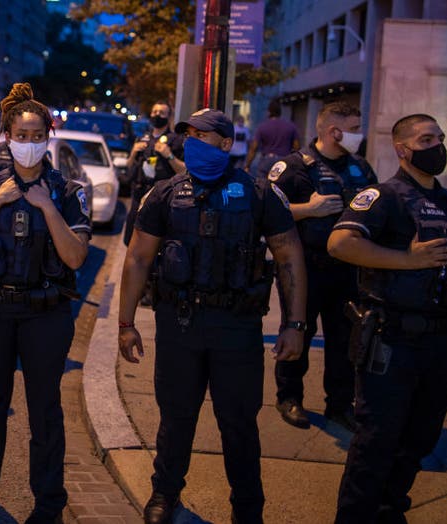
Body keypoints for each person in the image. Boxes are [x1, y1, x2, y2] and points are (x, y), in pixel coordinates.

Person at [118, 108, 307, 524]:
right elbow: (137, 260)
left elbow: (290, 258)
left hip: (237, 328)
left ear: (226, 143)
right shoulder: (165, 193)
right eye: (189, 135)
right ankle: (165, 494)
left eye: (203, 136)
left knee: (239, 423)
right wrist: (126, 324)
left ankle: (247, 509)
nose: (193, 142)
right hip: (179, 325)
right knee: (176, 417)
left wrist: (295, 326)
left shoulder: (259, 193)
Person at [327, 114, 447, 523]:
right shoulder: (383, 196)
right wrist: (408, 259)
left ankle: (389, 509)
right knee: (376, 440)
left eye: (439, 136)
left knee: (421, 435)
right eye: (425, 138)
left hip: (443, 341)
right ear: (403, 149)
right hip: (392, 340)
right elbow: (339, 243)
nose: (437, 144)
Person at [0, 83, 91, 524]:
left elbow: (75, 257)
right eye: (21, 135)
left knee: (45, 408)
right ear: (6, 137)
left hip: (45, 314)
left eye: (37, 135)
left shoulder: (68, 190)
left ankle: (49, 502)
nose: (29, 143)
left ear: (49, 136)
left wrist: (48, 208)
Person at [270, 102, 377, 432]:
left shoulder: (360, 169)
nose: (360, 135)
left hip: (347, 271)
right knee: (297, 331)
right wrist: (309, 210)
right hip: (303, 269)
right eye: (355, 128)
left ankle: (339, 406)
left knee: (346, 339)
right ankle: (289, 398)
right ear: (335, 132)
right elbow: (267, 215)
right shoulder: (293, 168)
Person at [123, 101, 185, 246]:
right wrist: (133, 153)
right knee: (130, 240)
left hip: (161, 198)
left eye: (162, 113)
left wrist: (169, 155)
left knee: (155, 243)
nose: (157, 115)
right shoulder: (143, 138)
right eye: (155, 112)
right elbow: (128, 166)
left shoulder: (176, 141)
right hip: (139, 196)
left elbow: (184, 171)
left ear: (169, 117)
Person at [244, 100, 300, 179]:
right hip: (284, 161)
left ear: (268, 112)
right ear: (280, 112)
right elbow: (297, 147)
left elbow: (254, 148)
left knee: (262, 186)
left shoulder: (262, 127)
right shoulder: (290, 126)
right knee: (282, 186)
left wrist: (247, 165)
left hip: (267, 160)